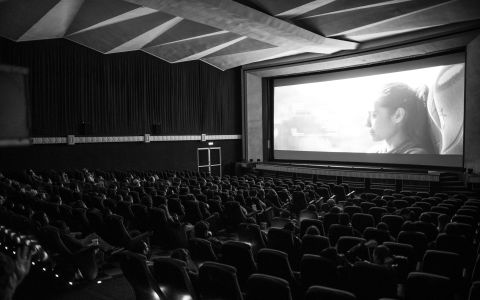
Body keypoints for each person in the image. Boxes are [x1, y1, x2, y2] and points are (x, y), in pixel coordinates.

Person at [367, 82, 434, 154]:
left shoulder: (414, 156)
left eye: (374, 115)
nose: (367, 124)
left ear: (398, 115)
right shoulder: (374, 152)